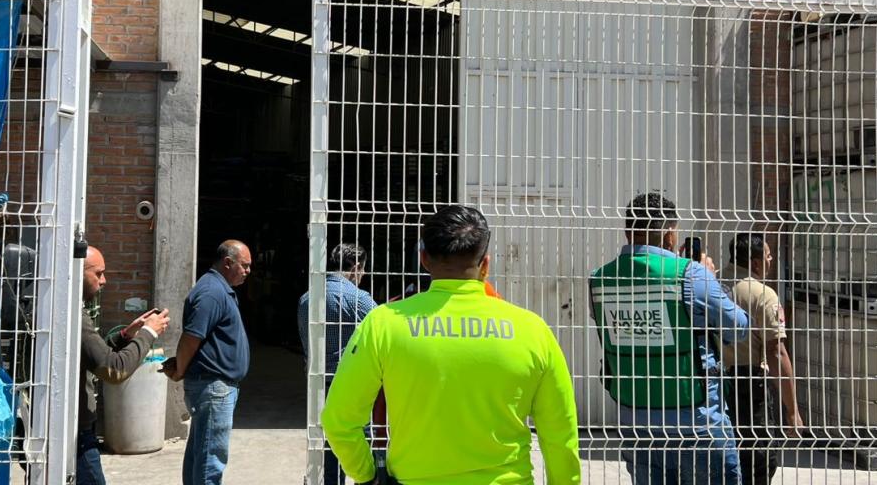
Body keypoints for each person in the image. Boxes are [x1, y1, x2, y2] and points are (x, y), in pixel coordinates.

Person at [322, 205, 581, 484]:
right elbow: (560, 435)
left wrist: (368, 474)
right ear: (485, 265)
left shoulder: (383, 324)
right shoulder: (532, 330)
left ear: (424, 259)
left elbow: (339, 421)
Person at [590, 192, 750, 485]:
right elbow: (738, 328)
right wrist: (710, 280)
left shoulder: (600, 278)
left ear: (628, 232)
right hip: (697, 422)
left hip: (636, 421)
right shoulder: (691, 275)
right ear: (669, 234)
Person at [76, 246, 171, 485]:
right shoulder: (73, 316)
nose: (104, 281)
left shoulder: (69, 310)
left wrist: (127, 335)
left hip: (77, 430)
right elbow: (114, 369)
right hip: (76, 435)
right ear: (77, 272)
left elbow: (94, 355)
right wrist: (149, 333)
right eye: (98, 273)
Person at [162, 240, 253, 485]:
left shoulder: (219, 289)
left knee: (201, 452)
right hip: (214, 387)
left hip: (216, 386)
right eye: (244, 265)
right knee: (210, 460)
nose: (248, 271)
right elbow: (191, 338)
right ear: (227, 263)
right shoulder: (212, 292)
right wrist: (180, 370)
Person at [720, 234, 802, 485]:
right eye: (767, 256)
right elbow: (777, 352)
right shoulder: (763, 295)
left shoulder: (712, 284)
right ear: (755, 263)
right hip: (749, 385)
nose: (771, 259)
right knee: (758, 459)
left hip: (713, 381)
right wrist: (792, 410)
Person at [296, 243, 378, 485]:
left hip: (318, 382)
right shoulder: (358, 299)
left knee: (328, 441)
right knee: (362, 441)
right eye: (363, 271)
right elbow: (382, 334)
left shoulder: (307, 298)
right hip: (351, 382)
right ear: (356, 268)